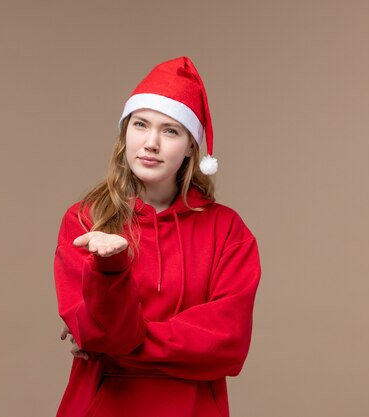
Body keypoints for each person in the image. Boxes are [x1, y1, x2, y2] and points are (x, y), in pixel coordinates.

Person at [53, 56, 261, 417]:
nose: (150, 142)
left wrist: (119, 341)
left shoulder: (228, 231)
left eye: (170, 130)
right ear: (125, 133)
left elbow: (228, 343)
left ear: (191, 147)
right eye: (140, 125)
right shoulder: (85, 220)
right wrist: (112, 266)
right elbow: (98, 334)